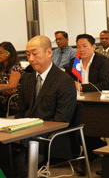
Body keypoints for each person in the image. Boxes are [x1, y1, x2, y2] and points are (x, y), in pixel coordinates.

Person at [13, 36, 77, 176]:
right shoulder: (28, 79)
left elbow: (61, 120)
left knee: (13, 147)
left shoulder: (64, 81)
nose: (30, 59)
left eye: (35, 54)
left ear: (49, 52)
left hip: (50, 135)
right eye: (28, 54)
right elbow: (20, 112)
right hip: (26, 130)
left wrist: (27, 132)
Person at [0, 42, 22, 117]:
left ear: (8, 53)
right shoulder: (1, 67)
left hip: (10, 101)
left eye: (0, 53)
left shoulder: (15, 68)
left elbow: (11, 87)